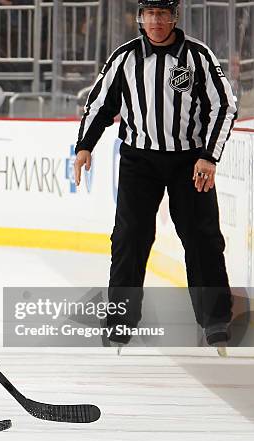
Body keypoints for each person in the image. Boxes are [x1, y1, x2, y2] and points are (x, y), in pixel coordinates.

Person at [73, 0, 237, 349]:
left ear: (174, 17)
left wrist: (209, 156)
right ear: (141, 19)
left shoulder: (198, 57)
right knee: (129, 238)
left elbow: (224, 105)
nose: (157, 21)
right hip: (139, 162)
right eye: (150, 14)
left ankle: (215, 320)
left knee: (202, 238)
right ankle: (119, 322)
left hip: (190, 162)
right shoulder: (125, 57)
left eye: (163, 14)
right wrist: (84, 146)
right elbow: (100, 104)